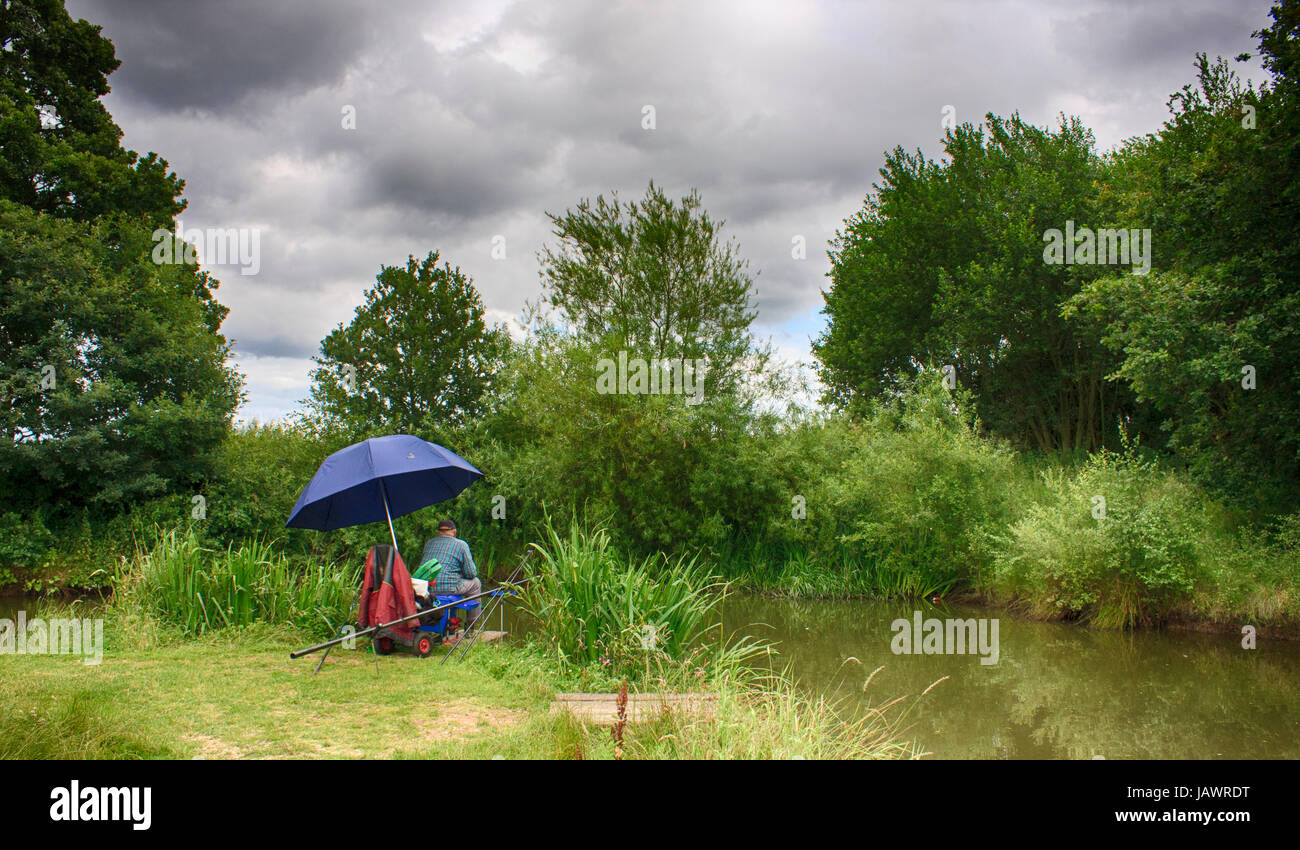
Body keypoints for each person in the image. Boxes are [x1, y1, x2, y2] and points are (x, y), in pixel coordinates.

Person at [418, 519, 480, 633]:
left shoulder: (429, 544)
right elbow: (471, 573)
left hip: (427, 588)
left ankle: (448, 627)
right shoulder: (461, 544)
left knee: (457, 581)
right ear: (454, 532)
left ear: (438, 532)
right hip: (449, 588)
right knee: (476, 583)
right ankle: (471, 627)